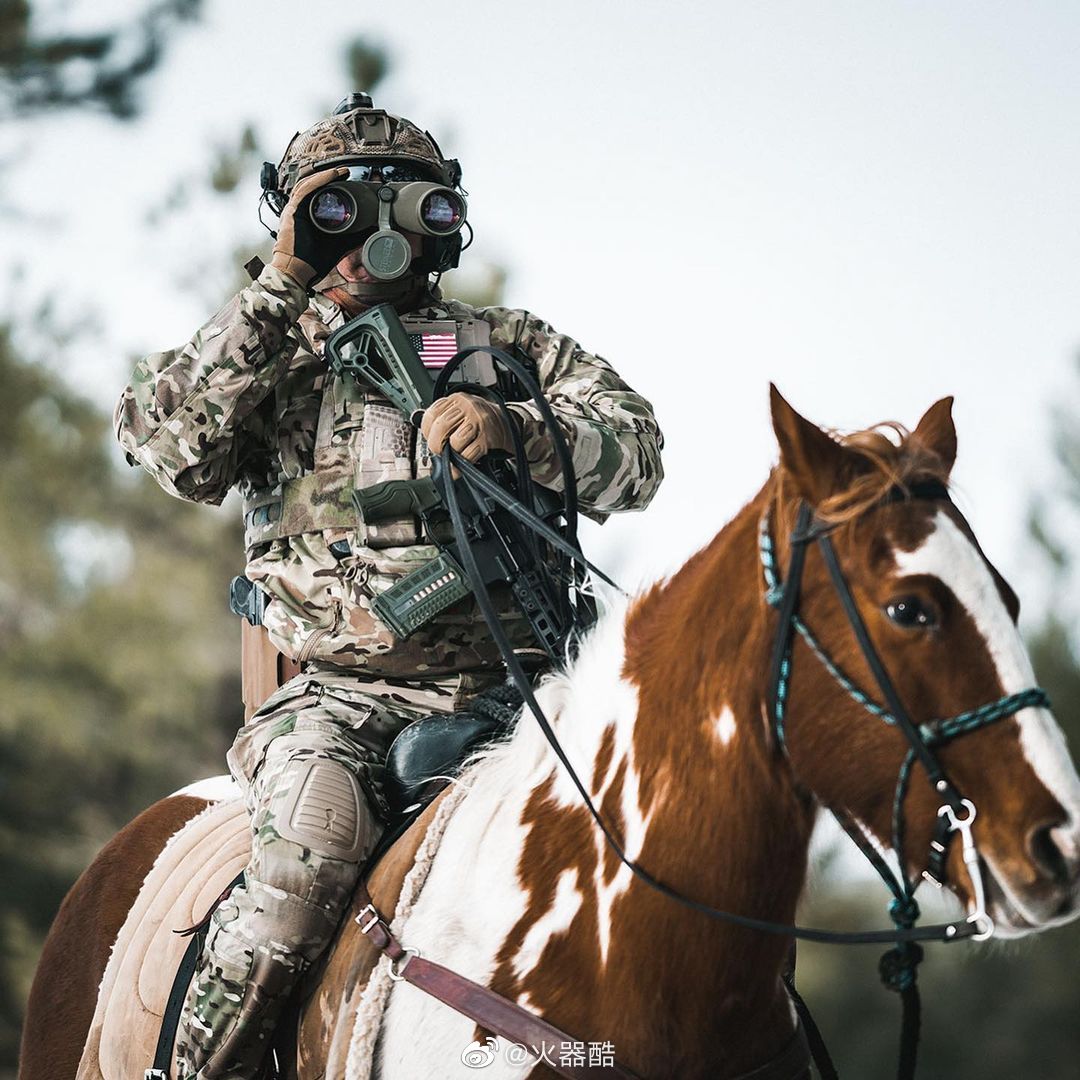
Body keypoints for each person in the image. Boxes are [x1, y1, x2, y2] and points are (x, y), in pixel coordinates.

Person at [115, 93, 664, 1079]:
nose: (372, 228)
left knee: (687, 835)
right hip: (339, 703)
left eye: (405, 202)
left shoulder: (503, 346)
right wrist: (283, 282)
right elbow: (168, 443)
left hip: (522, 691)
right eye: (338, 206)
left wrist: (516, 427)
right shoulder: (271, 357)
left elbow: (638, 454)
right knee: (300, 869)